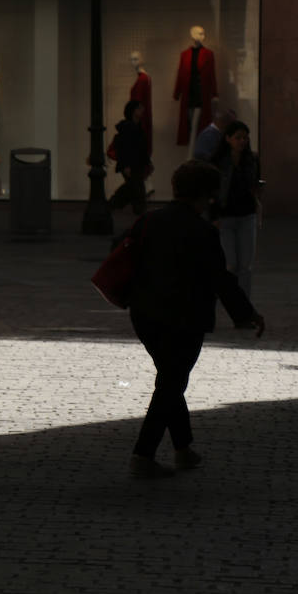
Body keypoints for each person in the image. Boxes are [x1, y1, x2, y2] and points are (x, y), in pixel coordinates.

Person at [125, 159, 265, 479]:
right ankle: (143, 454)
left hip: (145, 314)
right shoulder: (202, 231)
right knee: (171, 382)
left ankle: (183, 449)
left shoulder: (148, 221)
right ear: (206, 195)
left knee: (170, 378)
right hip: (183, 317)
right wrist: (247, 314)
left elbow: (122, 252)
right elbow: (222, 279)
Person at [210, 120, 262, 299]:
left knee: (246, 265)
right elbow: (213, 191)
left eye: (245, 138)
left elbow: (255, 185)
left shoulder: (251, 160)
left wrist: (258, 205)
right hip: (226, 217)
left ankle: (243, 302)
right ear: (228, 139)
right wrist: (214, 215)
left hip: (247, 216)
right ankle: (231, 299)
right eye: (238, 138)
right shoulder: (218, 162)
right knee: (230, 263)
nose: (242, 141)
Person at [109, 100, 152, 217]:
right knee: (137, 190)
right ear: (133, 111)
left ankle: (111, 205)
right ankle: (112, 205)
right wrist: (127, 165)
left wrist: (147, 162)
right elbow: (126, 148)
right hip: (131, 165)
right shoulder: (129, 128)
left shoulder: (136, 127)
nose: (142, 110)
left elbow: (139, 148)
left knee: (133, 189)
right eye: (139, 108)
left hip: (136, 164)